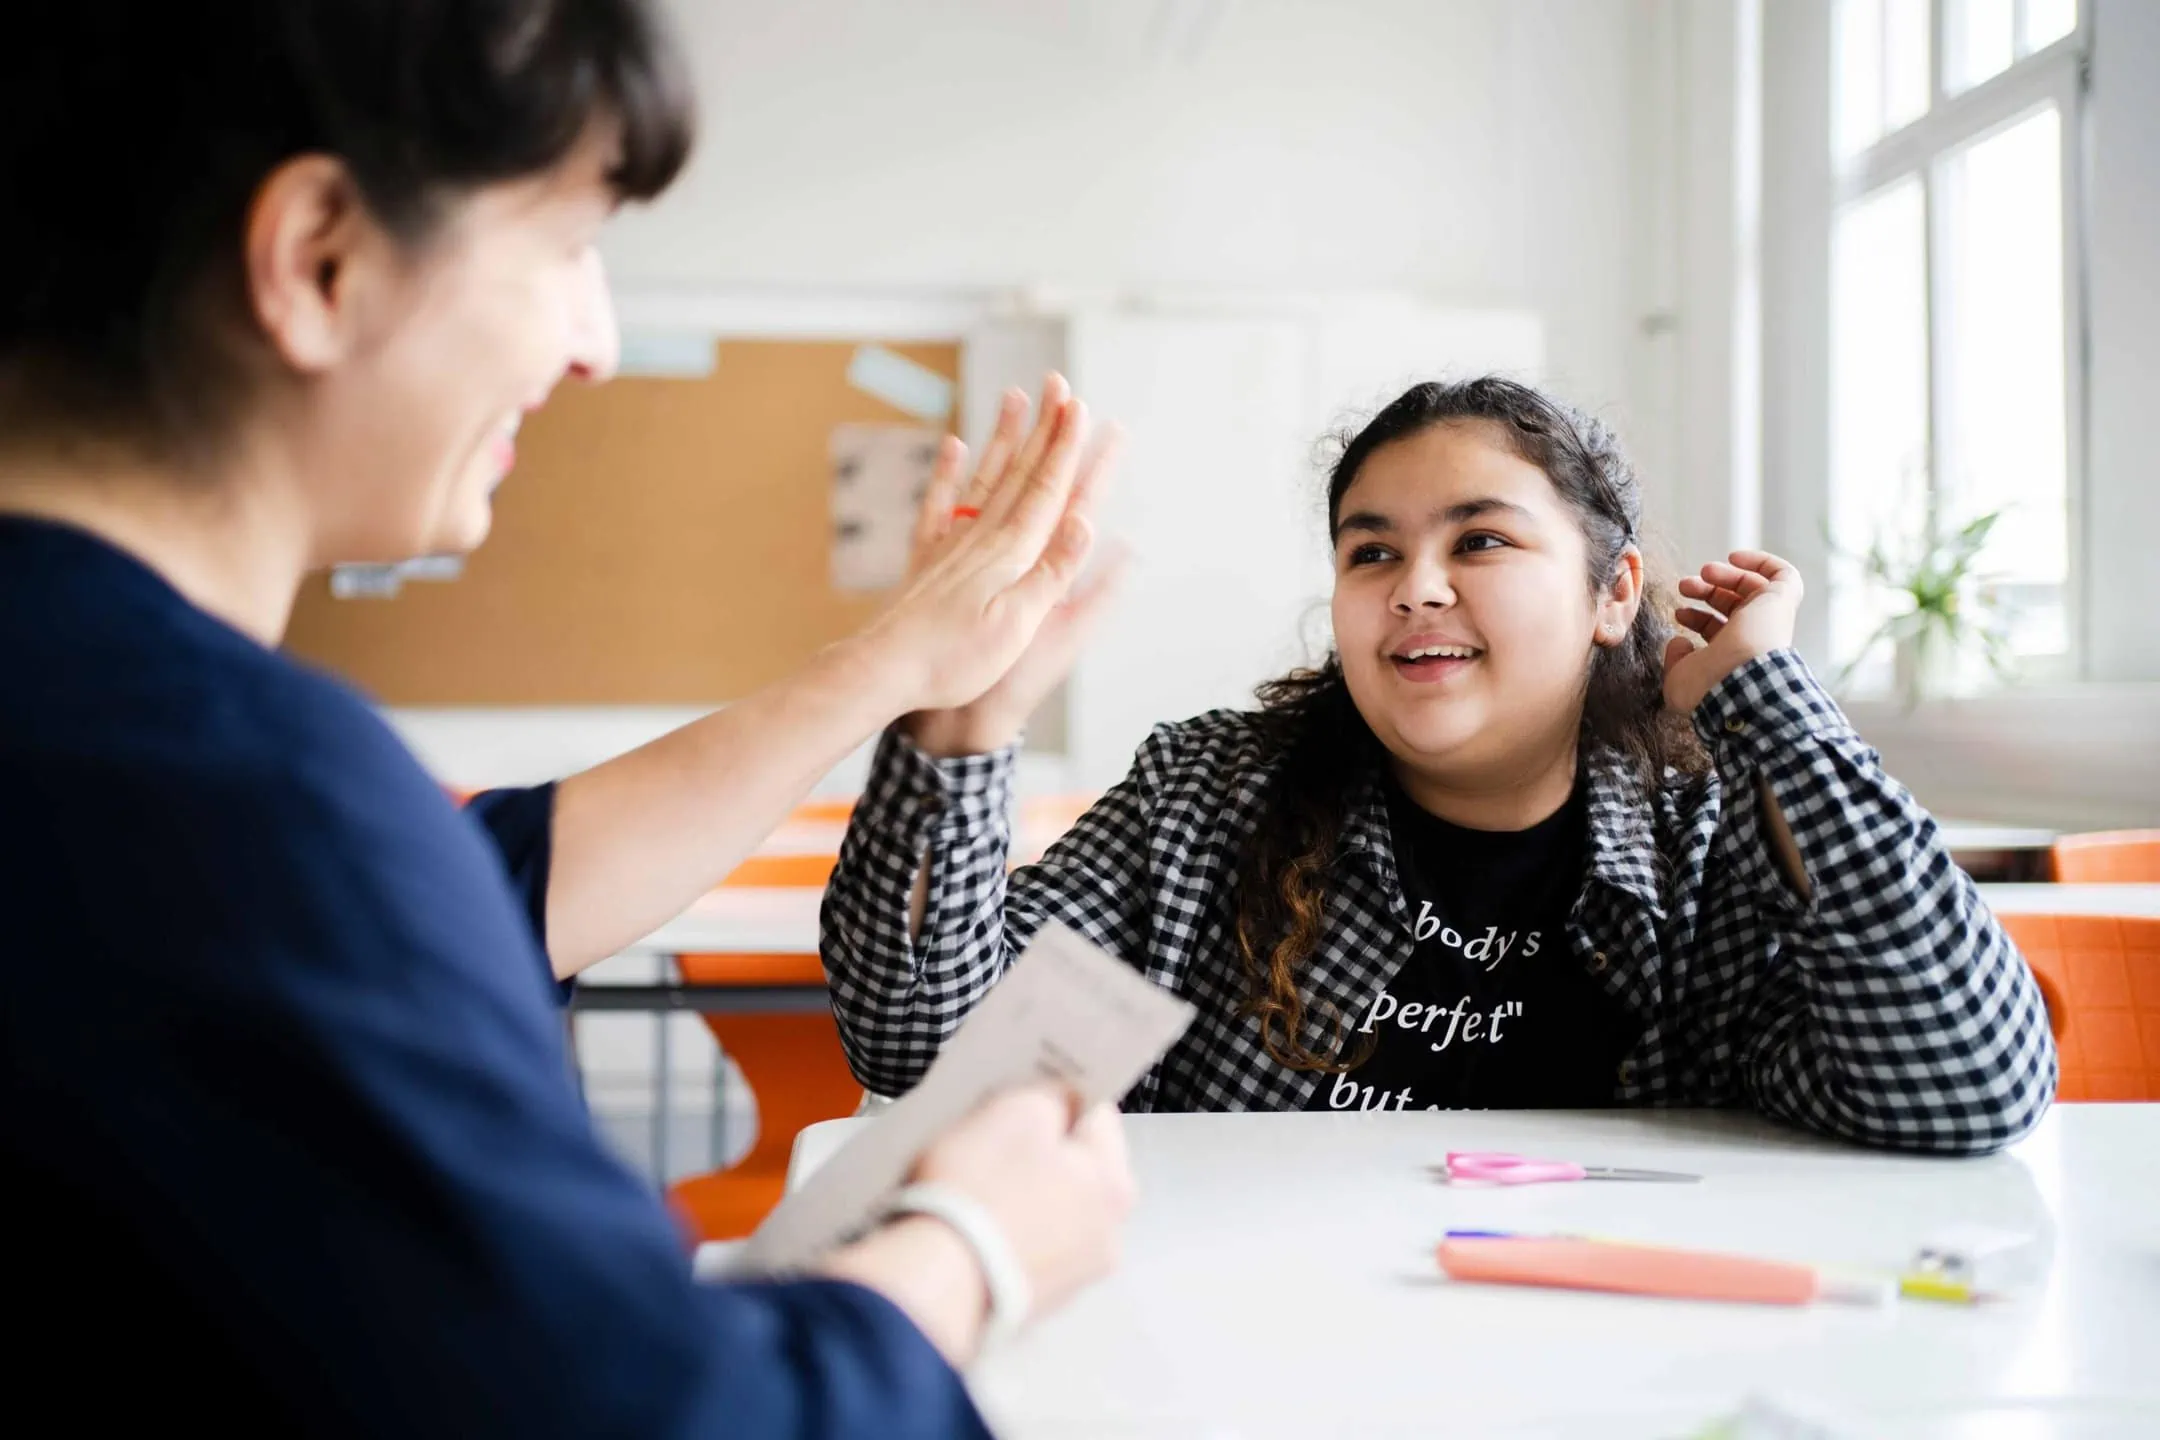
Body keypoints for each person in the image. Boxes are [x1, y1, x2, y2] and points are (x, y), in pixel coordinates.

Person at [1, 3, 1135, 1434]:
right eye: (567, 247)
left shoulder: (104, 727)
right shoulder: (234, 793)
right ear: (320, 258)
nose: (595, 342)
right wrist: (970, 1252)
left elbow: (494, 887)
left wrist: (893, 664)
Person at [822, 376, 2058, 1154]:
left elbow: (1964, 1088)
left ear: (1612, 593)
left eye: (1480, 541)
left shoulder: (1709, 829)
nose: (1415, 587)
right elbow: (923, 1051)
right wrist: (957, 731)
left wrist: (1765, 703)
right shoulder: (1208, 796)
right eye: (1371, 554)